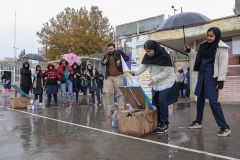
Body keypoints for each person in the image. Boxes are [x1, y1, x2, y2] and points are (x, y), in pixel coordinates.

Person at [184, 27, 231, 137]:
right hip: (202, 76)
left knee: (213, 102)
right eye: (208, 35)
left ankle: (224, 127)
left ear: (217, 36)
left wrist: (221, 81)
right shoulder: (204, 46)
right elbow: (198, 57)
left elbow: (223, 65)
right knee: (200, 99)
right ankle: (198, 122)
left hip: (212, 78)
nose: (209, 38)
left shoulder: (221, 48)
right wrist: (189, 50)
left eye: (211, 36)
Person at [128, 40, 178, 134]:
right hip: (156, 82)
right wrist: (134, 72)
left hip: (166, 81)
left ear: (154, 49)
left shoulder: (164, 55)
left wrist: (154, 79)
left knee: (162, 101)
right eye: (146, 51)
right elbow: (142, 67)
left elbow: (167, 72)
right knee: (156, 101)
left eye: (149, 51)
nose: (148, 53)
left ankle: (164, 123)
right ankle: (159, 121)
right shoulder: (147, 57)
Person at [102, 43, 129, 118]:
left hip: (118, 76)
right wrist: (104, 62)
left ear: (114, 48)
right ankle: (112, 109)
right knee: (108, 93)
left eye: (111, 49)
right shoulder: (106, 54)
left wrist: (119, 60)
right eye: (109, 49)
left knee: (119, 93)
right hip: (109, 76)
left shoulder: (119, 52)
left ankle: (121, 110)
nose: (110, 50)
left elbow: (127, 58)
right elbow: (102, 62)